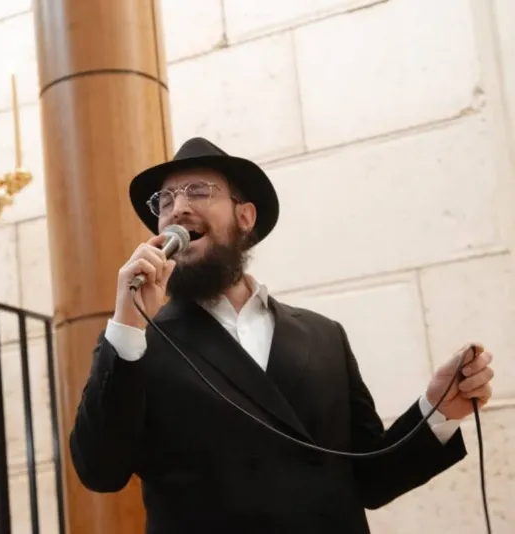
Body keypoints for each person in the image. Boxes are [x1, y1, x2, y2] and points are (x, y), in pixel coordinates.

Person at [68, 137, 496, 534]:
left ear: (245, 217)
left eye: (198, 191)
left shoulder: (324, 336)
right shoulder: (137, 344)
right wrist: (127, 323)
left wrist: (436, 410)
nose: (177, 208)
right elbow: (100, 471)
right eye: (165, 200)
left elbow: (370, 478)